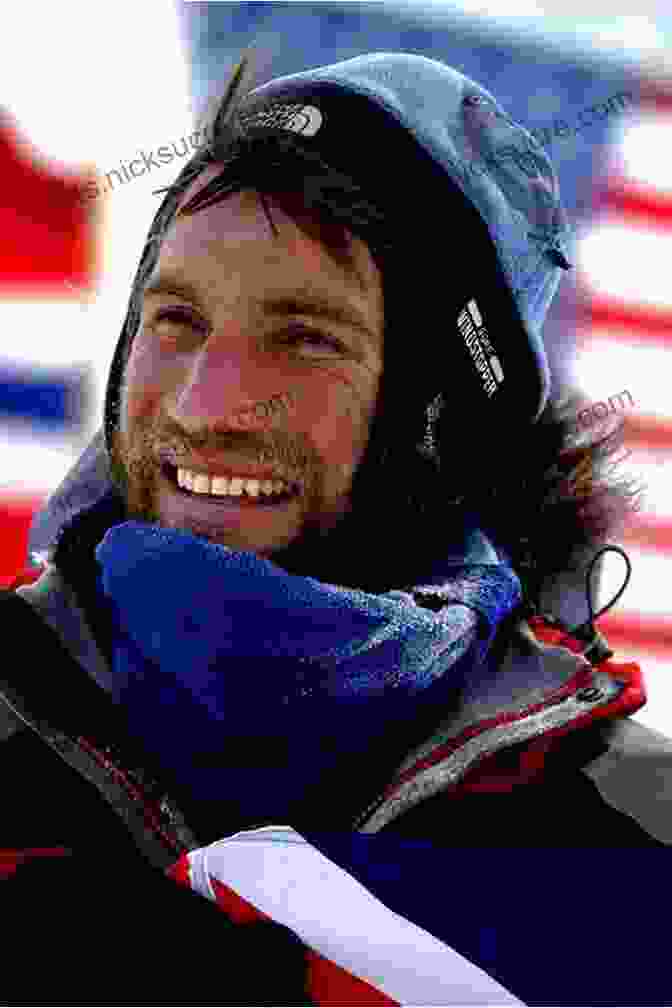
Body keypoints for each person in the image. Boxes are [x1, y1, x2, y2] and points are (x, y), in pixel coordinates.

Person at [1, 50, 666, 1006]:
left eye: (306, 338)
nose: (205, 404)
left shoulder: (630, 855)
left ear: (448, 419)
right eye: (178, 318)